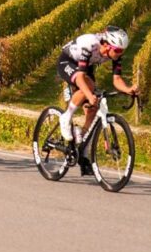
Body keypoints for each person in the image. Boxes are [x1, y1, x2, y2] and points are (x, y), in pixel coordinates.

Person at [57, 26, 139, 158]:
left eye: (123, 50)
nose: (120, 53)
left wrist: (128, 89)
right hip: (68, 61)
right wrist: (89, 95)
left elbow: (117, 80)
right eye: (118, 50)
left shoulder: (115, 54)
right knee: (88, 87)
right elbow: (81, 78)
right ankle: (66, 117)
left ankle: (82, 144)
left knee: (93, 108)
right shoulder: (90, 44)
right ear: (107, 45)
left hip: (86, 65)